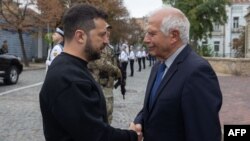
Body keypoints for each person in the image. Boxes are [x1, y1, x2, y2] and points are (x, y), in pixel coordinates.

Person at [39, 4, 140, 141]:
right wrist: (132, 136)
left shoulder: (71, 67)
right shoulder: (70, 78)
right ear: (80, 36)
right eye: (102, 35)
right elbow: (96, 136)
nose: (106, 41)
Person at [130, 7, 222, 141]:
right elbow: (154, 106)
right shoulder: (158, 66)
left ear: (173, 35)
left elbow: (205, 134)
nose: (145, 39)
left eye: (152, 34)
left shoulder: (197, 72)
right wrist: (139, 121)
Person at [88, 24, 121, 124]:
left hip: (108, 85)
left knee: (108, 114)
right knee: (102, 115)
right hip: (99, 85)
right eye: (105, 30)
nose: (108, 32)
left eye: (109, 30)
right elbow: (100, 63)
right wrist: (117, 71)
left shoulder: (108, 47)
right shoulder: (96, 46)